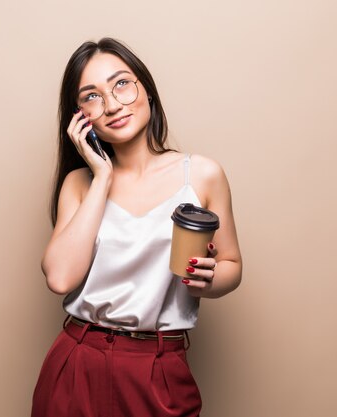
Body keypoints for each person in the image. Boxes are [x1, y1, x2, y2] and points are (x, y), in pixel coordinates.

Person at [31, 37, 242, 417]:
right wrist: (101, 177)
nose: (111, 104)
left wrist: (209, 279)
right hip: (79, 362)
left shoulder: (202, 175)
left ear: (147, 89)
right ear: (79, 117)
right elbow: (60, 279)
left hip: (159, 367)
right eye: (91, 96)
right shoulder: (80, 184)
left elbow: (231, 266)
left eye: (122, 84)